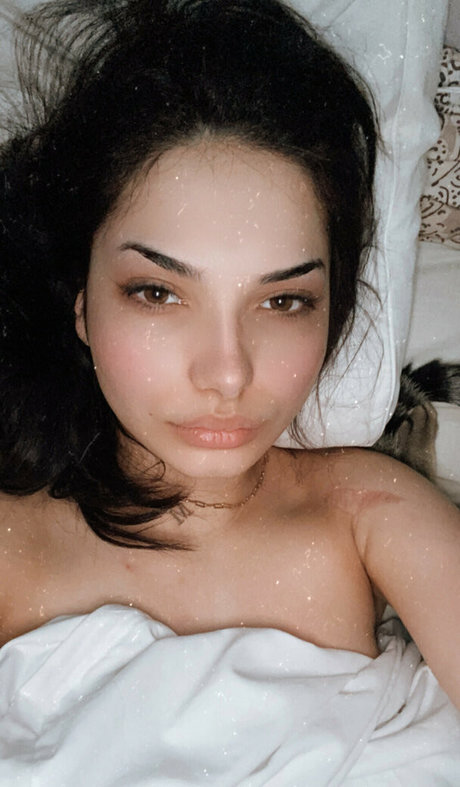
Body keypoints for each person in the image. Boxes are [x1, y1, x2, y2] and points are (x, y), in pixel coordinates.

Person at [0, 0, 459, 725]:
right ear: (81, 305)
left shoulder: (370, 513)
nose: (228, 373)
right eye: (158, 292)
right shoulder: (10, 545)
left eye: (283, 301)